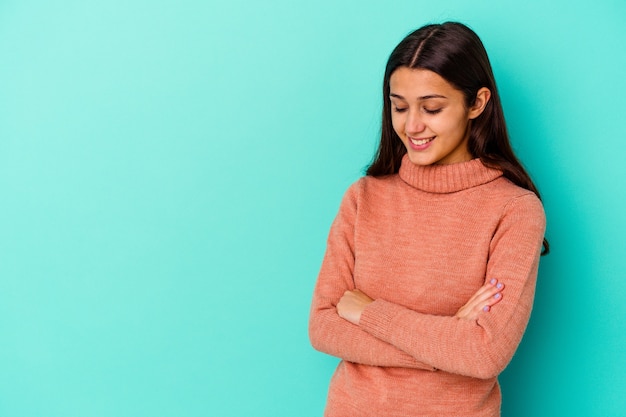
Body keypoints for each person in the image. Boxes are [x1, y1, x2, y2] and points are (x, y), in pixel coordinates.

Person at [308, 21, 548, 417]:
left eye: (432, 108)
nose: (412, 125)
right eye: (399, 106)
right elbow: (323, 326)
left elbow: (485, 353)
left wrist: (369, 313)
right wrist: (448, 340)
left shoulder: (514, 210)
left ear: (477, 102)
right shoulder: (363, 198)